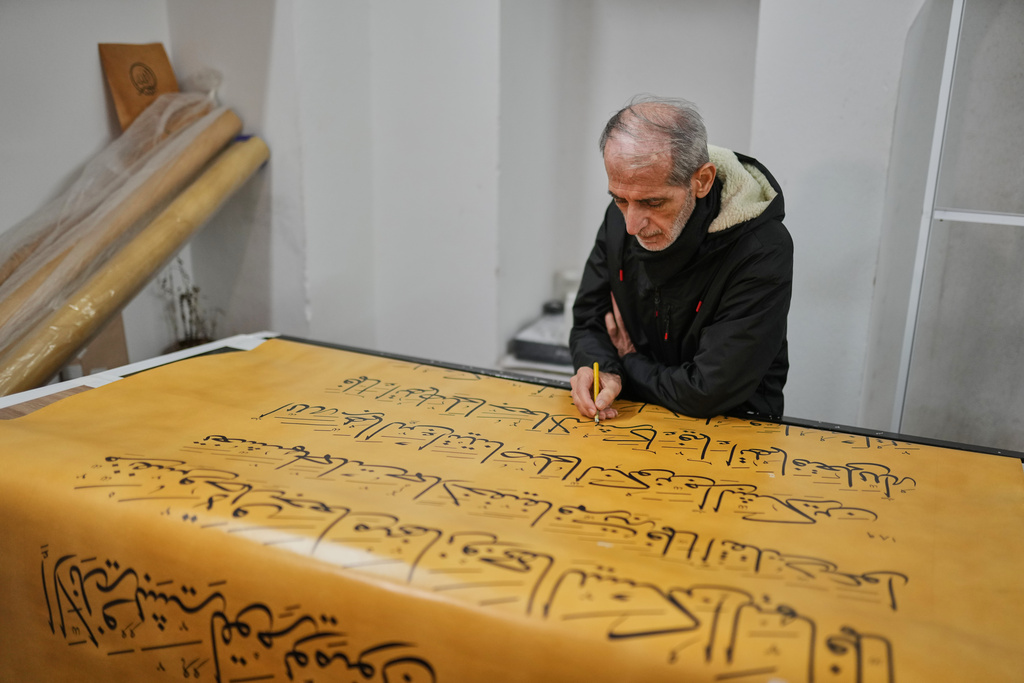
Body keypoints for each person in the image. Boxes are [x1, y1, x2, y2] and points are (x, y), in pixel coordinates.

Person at [569, 96, 792, 420]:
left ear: (701, 181)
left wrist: (627, 362)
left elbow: (708, 391)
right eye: (620, 199)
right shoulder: (624, 216)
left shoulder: (760, 249)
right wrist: (600, 369)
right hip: (632, 418)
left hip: (732, 435)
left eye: (654, 202)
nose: (632, 225)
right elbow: (589, 319)